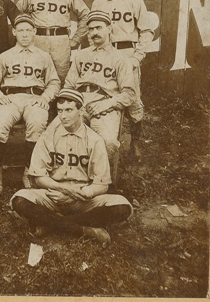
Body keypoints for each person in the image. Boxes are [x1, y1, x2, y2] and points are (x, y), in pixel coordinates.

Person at [10, 89, 133, 243]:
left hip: (83, 198)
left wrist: (80, 193)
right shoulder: (48, 136)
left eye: (69, 110)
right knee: (20, 200)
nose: (63, 116)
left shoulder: (94, 140)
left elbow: (102, 185)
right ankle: (82, 228)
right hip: (53, 195)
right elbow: (39, 178)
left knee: (122, 207)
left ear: (80, 111)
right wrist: (64, 190)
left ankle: (51, 224)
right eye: (60, 111)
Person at [0, 14, 60, 192]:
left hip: (35, 98)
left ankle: (29, 171)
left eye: (28, 30)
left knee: (37, 124)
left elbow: (54, 82)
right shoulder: (5, 56)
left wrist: (45, 98)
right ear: (14, 32)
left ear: (34, 32)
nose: (25, 34)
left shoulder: (44, 56)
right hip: (10, 98)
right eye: (20, 31)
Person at [91, 0, 157, 159]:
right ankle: (102, 136)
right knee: (106, 92)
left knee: (132, 97)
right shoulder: (98, 3)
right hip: (106, 53)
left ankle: (135, 141)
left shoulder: (135, 2)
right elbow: (94, 30)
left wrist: (138, 56)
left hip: (127, 51)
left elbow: (147, 31)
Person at [63, 10, 136, 167]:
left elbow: (129, 94)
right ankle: (69, 178)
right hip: (79, 103)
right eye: (91, 29)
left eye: (98, 28)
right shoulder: (80, 55)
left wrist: (108, 103)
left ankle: (102, 181)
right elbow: (69, 85)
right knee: (56, 135)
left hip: (105, 105)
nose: (94, 32)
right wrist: (73, 105)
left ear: (109, 29)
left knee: (107, 141)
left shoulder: (120, 58)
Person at [16, 0, 90, 85]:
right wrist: (24, 38)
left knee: (61, 79)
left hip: (60, 42)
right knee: (36, 76)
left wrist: (76, 39)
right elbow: (16, 16)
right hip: (37, 40)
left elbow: (86, 15)